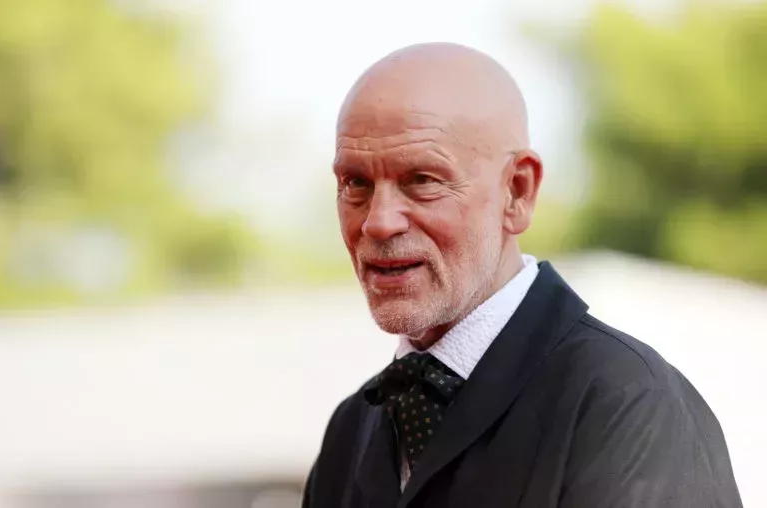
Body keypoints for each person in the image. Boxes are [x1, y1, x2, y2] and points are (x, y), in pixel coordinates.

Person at [301, 42, 742, 508]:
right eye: (355, 183)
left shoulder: (626, 404)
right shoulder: (350, 433)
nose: (378, 222)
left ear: (517, 191)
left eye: (422, 180)